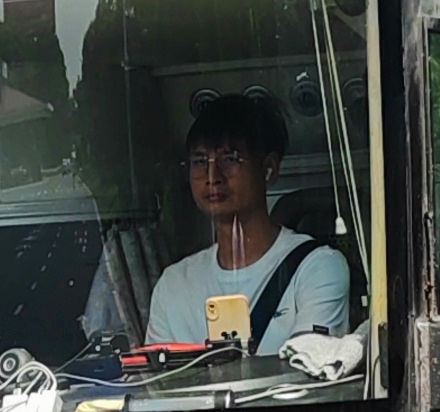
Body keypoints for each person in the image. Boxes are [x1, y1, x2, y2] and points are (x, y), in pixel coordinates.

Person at [142, 94, 353, 353]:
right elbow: (161, 387)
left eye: (230, 159)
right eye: (200, 162)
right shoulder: (173, 286)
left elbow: (310, 372)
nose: (212, 176)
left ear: (268, 169)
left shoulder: (317, 268)